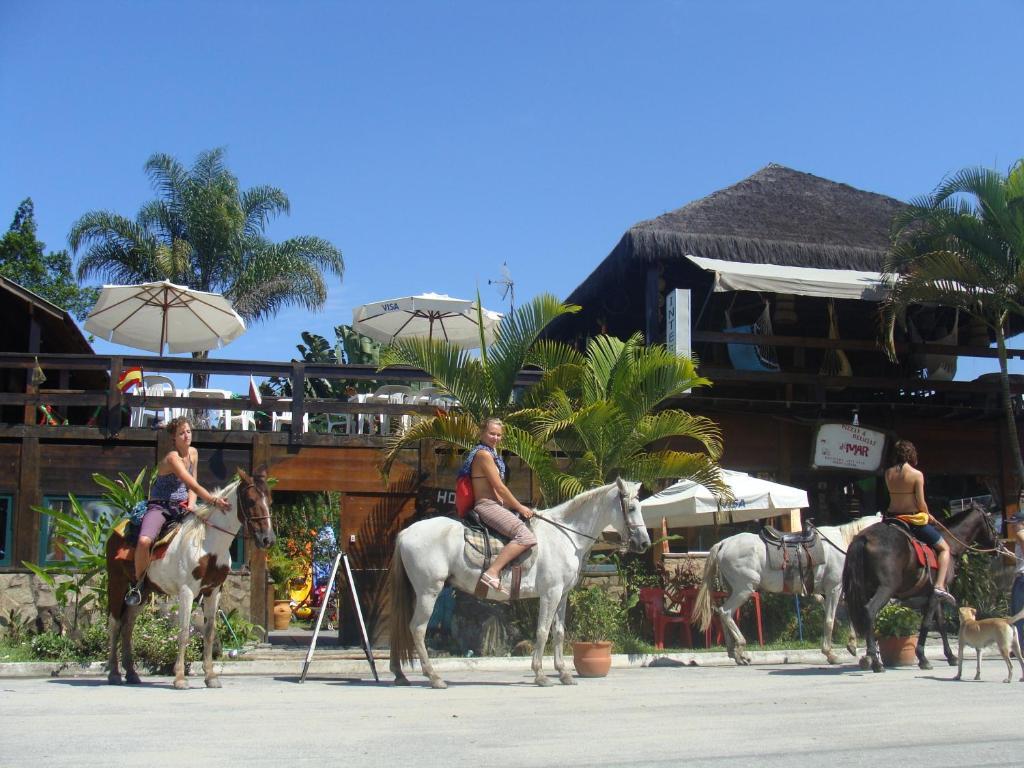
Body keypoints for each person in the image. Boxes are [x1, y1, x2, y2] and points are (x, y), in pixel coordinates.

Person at [125, 416, 230, 606]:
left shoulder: (194, 453)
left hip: (182, 507)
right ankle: (139, 584)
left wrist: (191, 504)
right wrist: (213, 500)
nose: (186, 435)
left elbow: (193, 483)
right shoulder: (172, 458)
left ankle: (202, 579)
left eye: (188, 431)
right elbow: (191, 482)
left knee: (208, 532)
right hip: (161, 507)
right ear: (174, 437)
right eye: (181, 433)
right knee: (143, 541)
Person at [459, 417, 536, 595]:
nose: (495, 437)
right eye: (491, 433)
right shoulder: (484, 455)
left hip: (496, 506)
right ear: (482, 433)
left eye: (499, 435)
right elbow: (500, 488)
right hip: (487, 506)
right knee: (525, 536)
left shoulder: (491, 453)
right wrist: (520, 507)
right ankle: (492, 572)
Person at [883, 439, 955, 604]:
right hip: (912, 520)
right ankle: (939, 586)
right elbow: (921, 503)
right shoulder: (916, 474)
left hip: (893, 519)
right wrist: (928, 515)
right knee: (945, 548)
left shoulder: (888, 473)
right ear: (911, 455)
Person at [1009, 512, 1024, 647]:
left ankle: (1020, 646)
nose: (1013, 527)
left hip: (1022, 578)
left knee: (1017, 613)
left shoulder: (1021, 534)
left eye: (1015, 523)